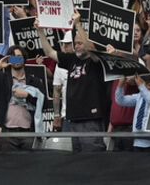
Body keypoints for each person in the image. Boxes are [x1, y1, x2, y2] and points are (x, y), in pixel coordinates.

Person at [36, 13, 108, 151]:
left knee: (93, 156)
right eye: (75, 44)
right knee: (77, 158)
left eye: (80, 43)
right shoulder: (72, 60)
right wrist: (40, 31)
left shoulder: (97, 61)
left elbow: (90, 49)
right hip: (73, 118)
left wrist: (78, 24)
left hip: (90, 118)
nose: (77, 47)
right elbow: (50, 52)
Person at [0, 44, 47, 150]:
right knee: (7, 160)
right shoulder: (2, 78)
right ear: (9, 59)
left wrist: (27, 96)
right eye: (13, 57)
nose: (16, 60)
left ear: (24, 58)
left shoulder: (35, 81)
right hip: (7, 132)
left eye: (19, 57)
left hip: (29, 132)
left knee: (30, 161)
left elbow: (44, 104)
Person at [113, 73, 150, 152]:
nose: (138, 86)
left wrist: (141, 86)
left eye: (141, 83)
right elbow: (120, 100)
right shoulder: (139, 96)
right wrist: (120, 85)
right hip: (137, 142)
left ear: (149, 85)